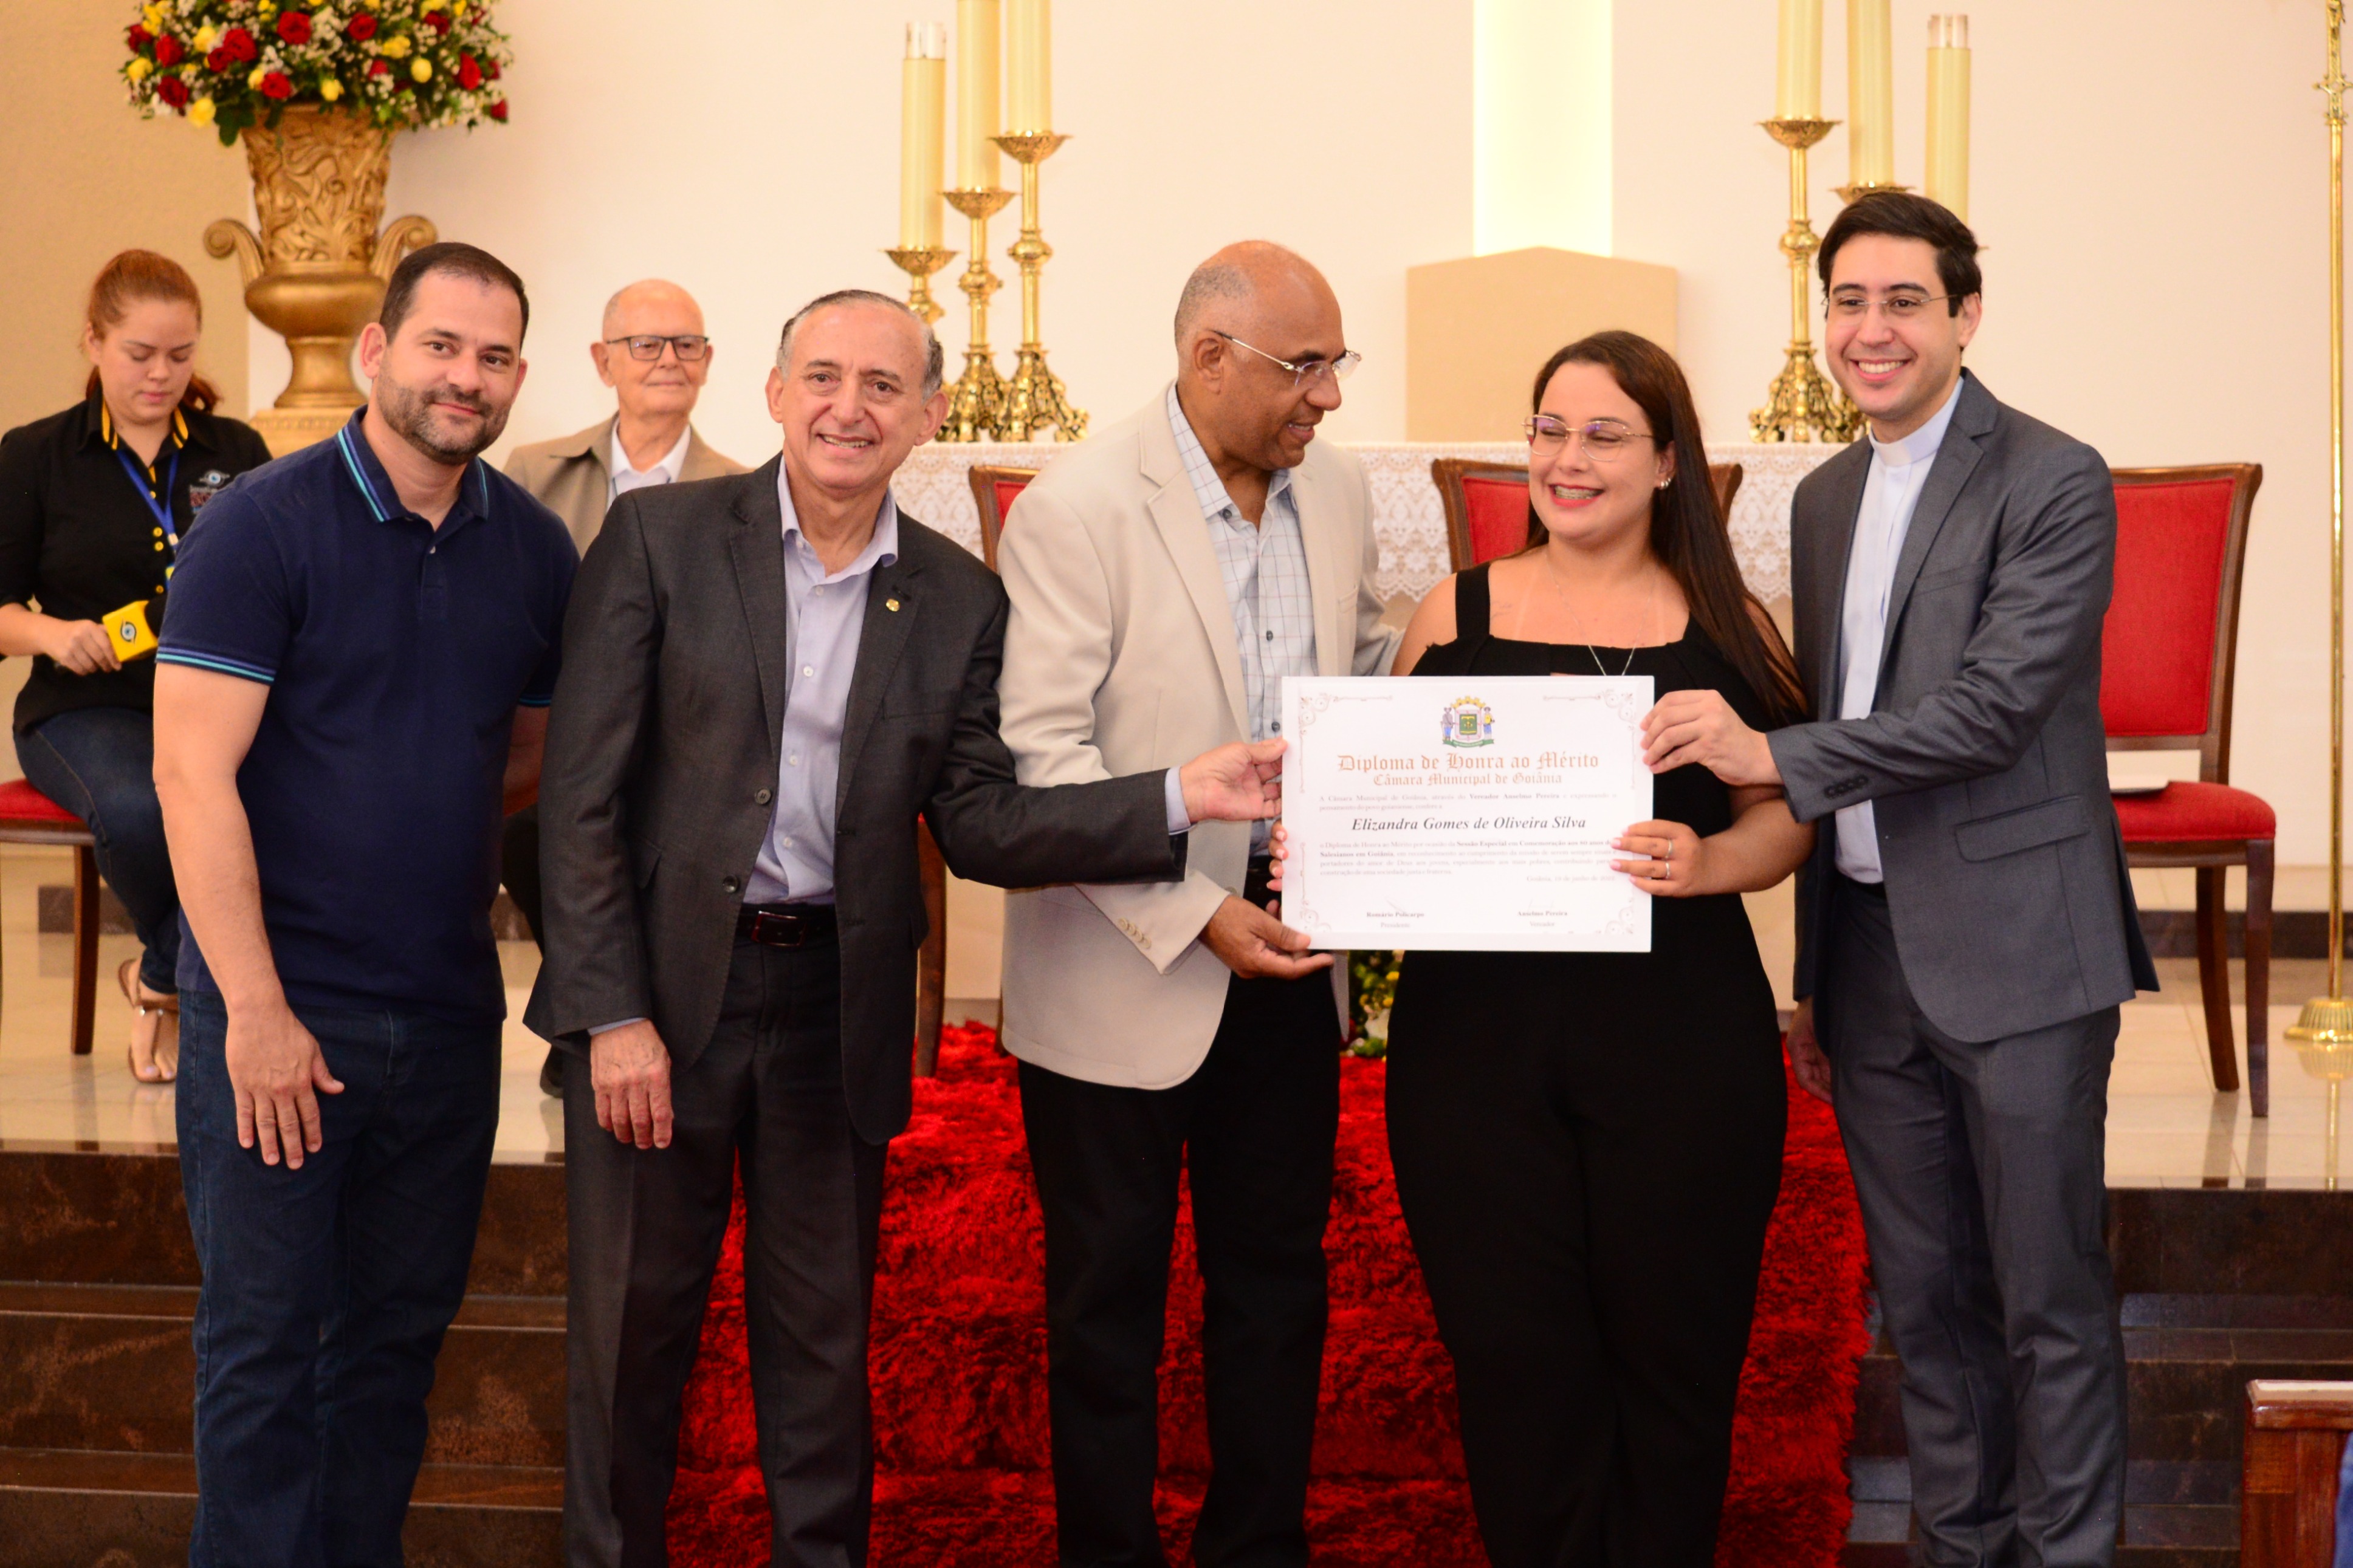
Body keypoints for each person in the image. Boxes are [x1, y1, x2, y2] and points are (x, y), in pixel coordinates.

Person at [524, 286, 1285, 1568]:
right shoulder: (659, 540)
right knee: (628, 1346)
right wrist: (611, 1013)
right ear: (775, 393)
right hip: (661, 1005)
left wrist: (1173, 796)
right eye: (823, 377)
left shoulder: (957, 595)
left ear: (929, 416)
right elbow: (579, 798)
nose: (849, 408)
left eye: (883, 386)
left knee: (823, 1353)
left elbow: (983, 824)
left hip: (834, 1008)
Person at [1638, 191, 2155, 1568]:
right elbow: (1850, 704)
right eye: (1847, 303)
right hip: (1868, 956)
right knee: (1924, 1305)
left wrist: (1771, 754)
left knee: (2047, 1297)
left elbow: (1991, 712)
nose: (1871, 331)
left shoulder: (2053, 477)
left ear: (1966, 315)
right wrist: (1816, 972)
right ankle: (1958, 1549)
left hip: (2022, 948)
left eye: (1904, 302)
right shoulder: (1824, 496)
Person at [151, 242, 575, 1567]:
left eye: (494, 357)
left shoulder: (535, 547)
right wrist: (256, 1010)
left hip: (446, 1012)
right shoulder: (261, 524)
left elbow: (525, 755)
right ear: (380, 350)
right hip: (285, 1009)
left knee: (393, 1351)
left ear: (518, 378)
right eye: (442, 345)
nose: (467, 377)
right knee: (266, 1348)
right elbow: (189, 773)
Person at [1358, 330, 1812, 1567]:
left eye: (1604, 435)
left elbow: (1788, 811)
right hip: (1474, 1054)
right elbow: (1377, 795)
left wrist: (1709, 859)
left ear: (1667, 461)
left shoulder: (1727, 622)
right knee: (1516, 1364)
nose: (1568, 458)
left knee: (1675, 1363)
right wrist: (1338, 852)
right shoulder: (1456, 611)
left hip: (1682, 1045)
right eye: (1549, 430)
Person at [992, 241, 1398, 1568]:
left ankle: (1256, 1545)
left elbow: (1361, 667)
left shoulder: (1336, 489)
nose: (1329, 396)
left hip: (1292, 951)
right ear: (1208, 357)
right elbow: (1044, 759)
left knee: (1276, 1288)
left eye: (1337, 364)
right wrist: (1194, 912)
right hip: (1123, 965)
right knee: (1105, 1308)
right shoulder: (1077, 506)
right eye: (1306, 366)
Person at [0, 249, 270, 1083]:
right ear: (93, 341)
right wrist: (51, 635)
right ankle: (183, 980)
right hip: (86, 708)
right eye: (140, 354)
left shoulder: (236, 449)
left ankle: (159, 976)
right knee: (145, 807)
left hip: (219, 707)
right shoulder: (36, 455)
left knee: (297, 804)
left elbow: (282, 582)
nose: (162, 375)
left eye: (181, 355)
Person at [503, 278, 746, 1094]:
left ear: (707, 361)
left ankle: (606, 1011)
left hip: (682, 735)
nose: (668, 359)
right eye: (646, 344)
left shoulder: (740, 488)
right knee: (528, 830)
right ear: (605, 361)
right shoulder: (536, 471)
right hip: (555, 722)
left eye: (687, 344)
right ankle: (585, 998)